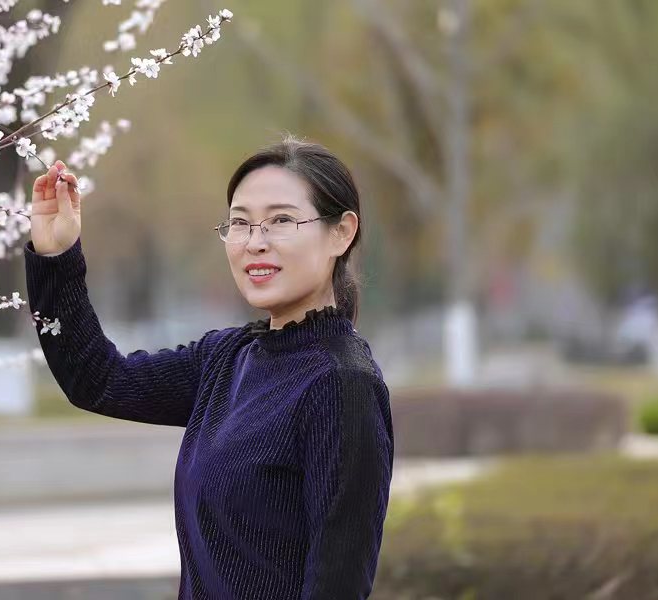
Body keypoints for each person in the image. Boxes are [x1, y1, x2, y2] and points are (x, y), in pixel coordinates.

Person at [24, 135, 394, 599]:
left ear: (341, 232)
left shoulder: (342, 383)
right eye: (240, 223)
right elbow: (97, 380)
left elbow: (337, 585)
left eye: (281, 220)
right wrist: (57, 256)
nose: (255, 243)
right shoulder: (227, 358)